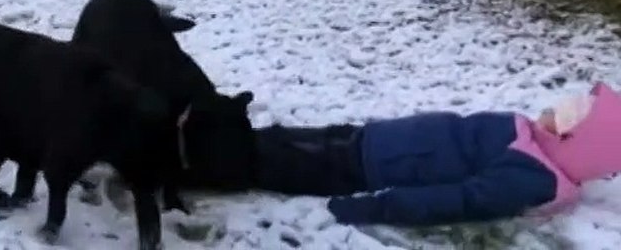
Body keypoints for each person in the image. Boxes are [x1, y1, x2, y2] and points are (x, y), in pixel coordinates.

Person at [252, 82, 621, 226]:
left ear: (574, 138)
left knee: (264, 162)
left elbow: (454, 200)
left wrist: (368, 209)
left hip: (365, 167)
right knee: (273, 138)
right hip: (371, 138)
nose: (552, 108)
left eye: (563, 113)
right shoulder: (527, 131)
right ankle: (214, 131)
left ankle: (204, 162)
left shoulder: (532, 177)